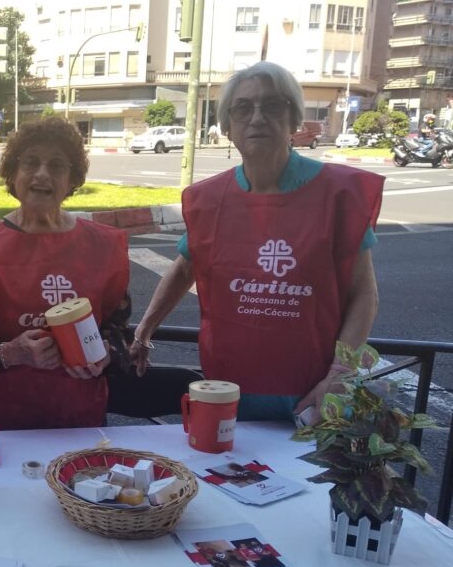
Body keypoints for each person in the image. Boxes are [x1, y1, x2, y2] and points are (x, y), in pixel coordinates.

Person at [130, 61, 383, 424]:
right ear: (227, 126)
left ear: (294, 119)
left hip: (314, 394)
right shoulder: (209, 200)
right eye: (243, 108)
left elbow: (364, 294)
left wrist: (340, 374)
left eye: (273, 106)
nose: (257, 118)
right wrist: (144, 331)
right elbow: (185, 269)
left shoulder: (338, 194)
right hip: (226, 390)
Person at [0, 117, 133, 430]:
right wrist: (8, 352)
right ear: (13, 172)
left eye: (56, 165)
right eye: (30, 162)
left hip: (79, 422)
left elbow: (120, 331)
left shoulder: (104, 248)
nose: (42, 173)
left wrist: (107, 354)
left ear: (72, 179)